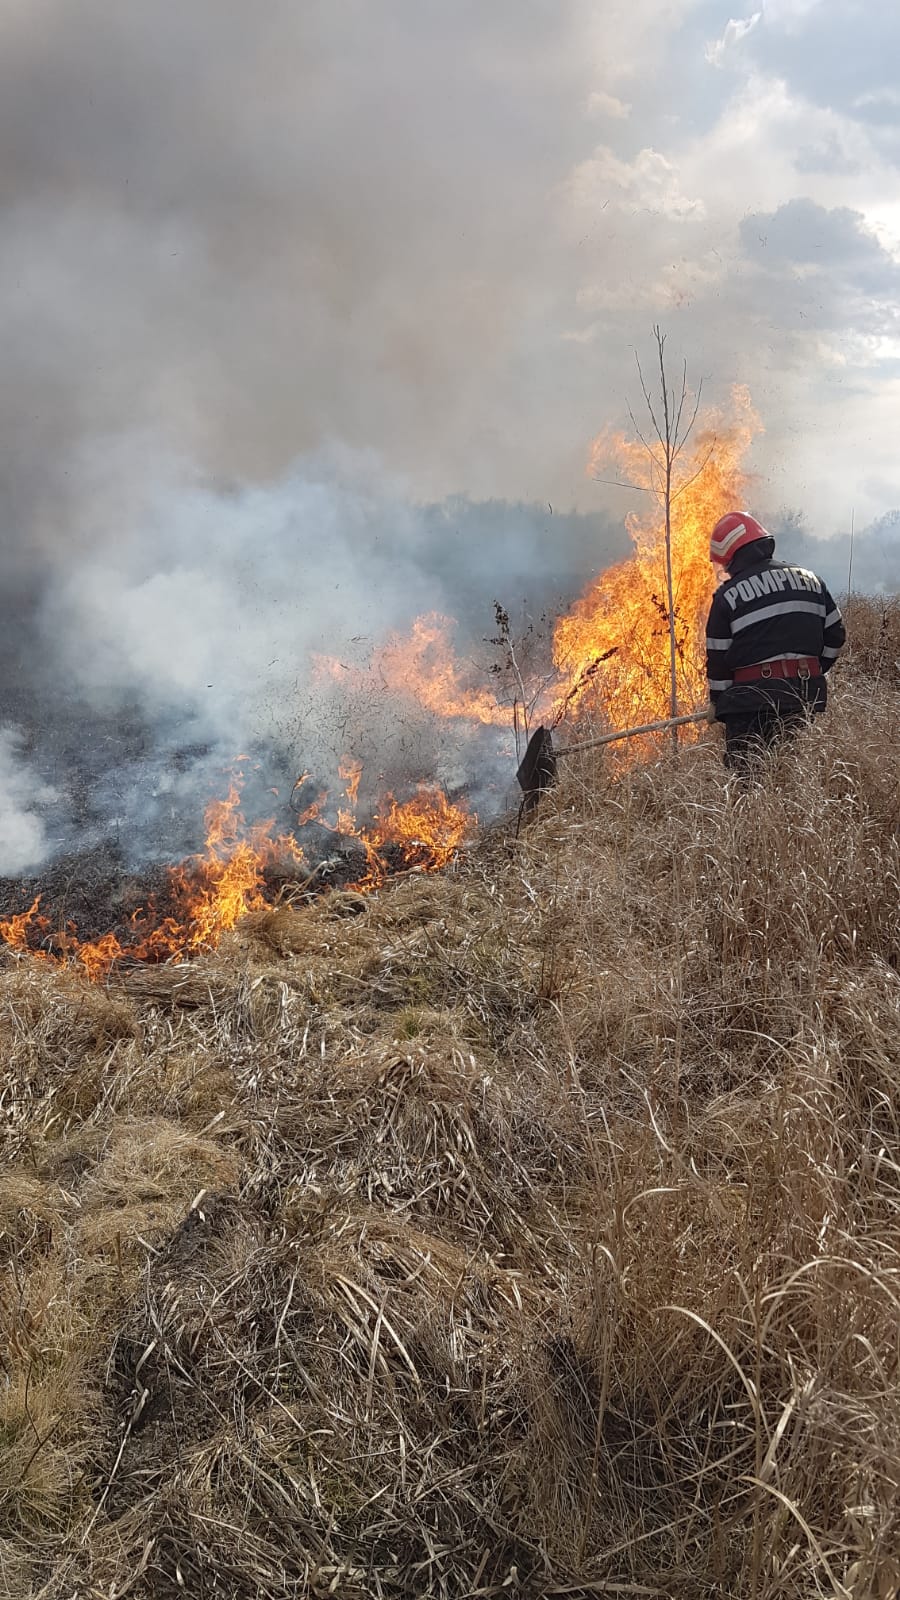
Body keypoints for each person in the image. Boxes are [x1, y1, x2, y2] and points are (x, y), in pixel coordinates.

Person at [705, 512, 846, 769]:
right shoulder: (811, 580)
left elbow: (718, 660)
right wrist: (811, 671)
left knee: (748, 776)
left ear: (732, 556)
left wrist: (719, 702)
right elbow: (836, 635)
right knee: (795, 770)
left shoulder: (727, 596)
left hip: (749, 703)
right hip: (804, 695)